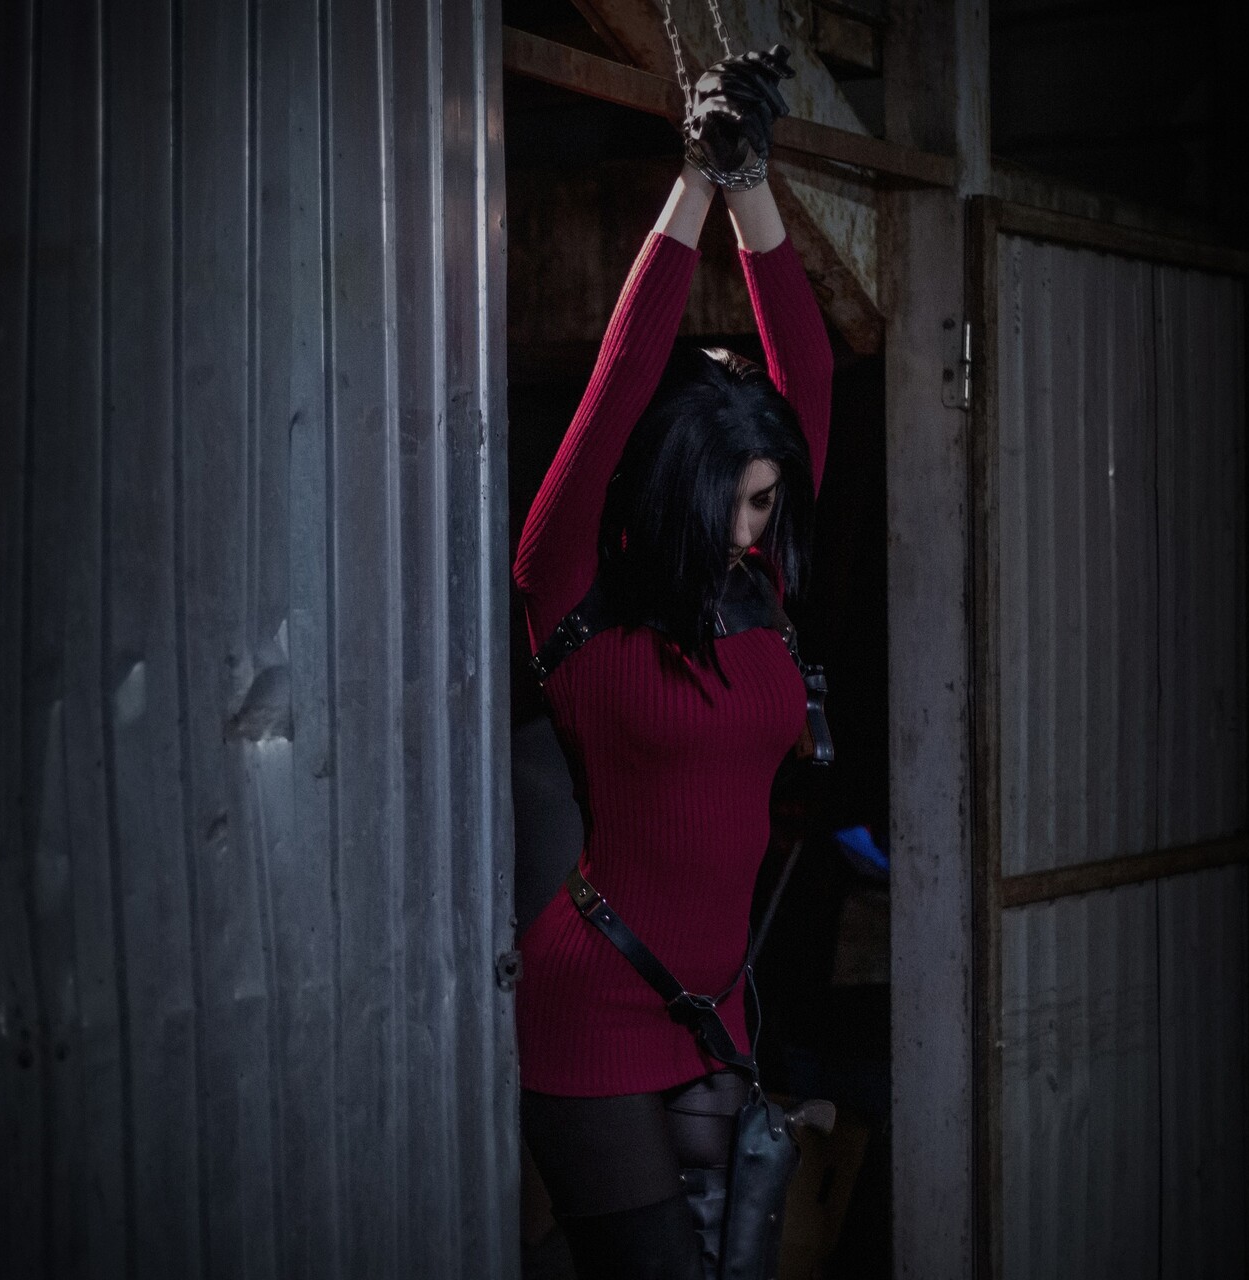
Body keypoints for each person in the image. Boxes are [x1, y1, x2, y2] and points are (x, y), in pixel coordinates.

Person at [510, 50, 834, 1280]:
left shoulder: (761, 590)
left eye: (770, 500)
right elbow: (618, 388)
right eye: (739, 501)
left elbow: (805, 374)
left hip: (720, 1003)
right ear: (681, 488)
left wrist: (751, 181)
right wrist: (690, 186)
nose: (757, 527)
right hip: (594, 1002)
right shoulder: (571, 588)